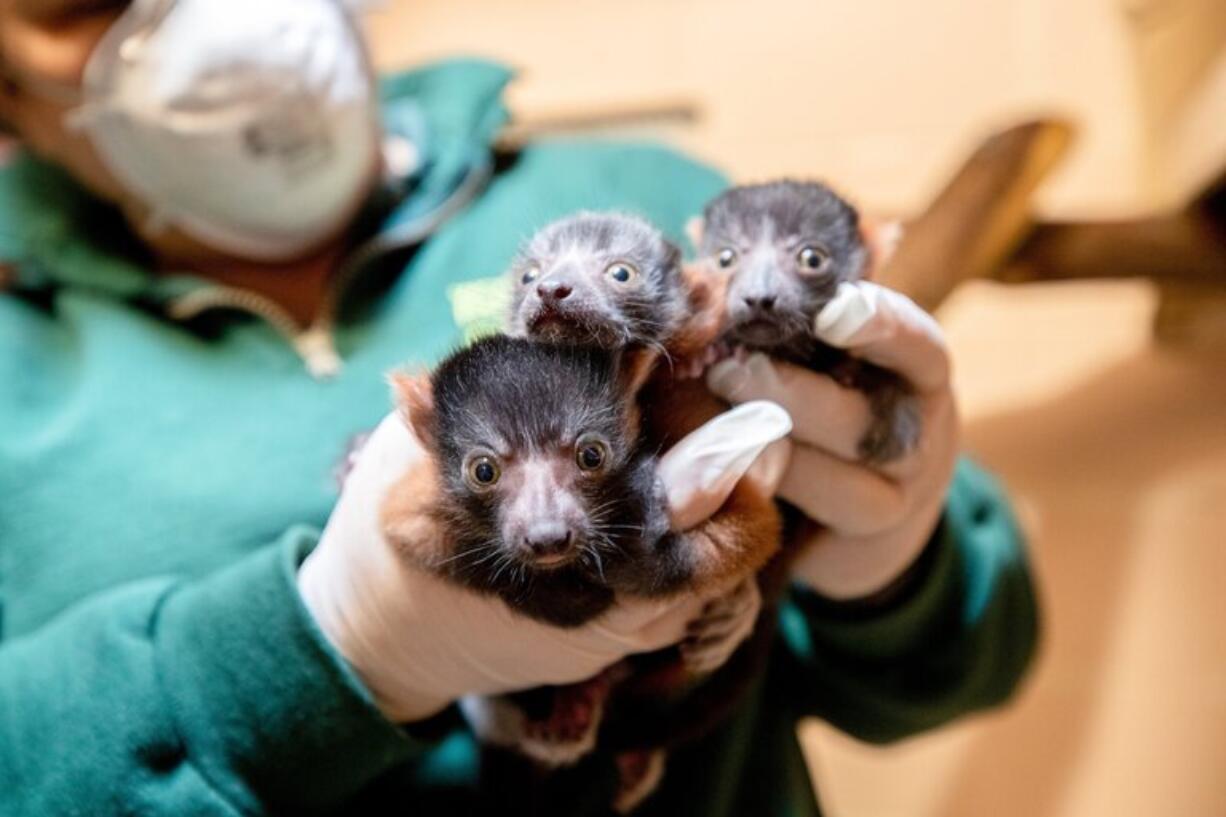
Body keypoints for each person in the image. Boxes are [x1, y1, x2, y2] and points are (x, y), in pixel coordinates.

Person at [0, 2, 1038, 815]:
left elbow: (959, 670)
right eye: (90, 3)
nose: (210, 18)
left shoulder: (635, 196)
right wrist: (326, 648)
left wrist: (887, 559)